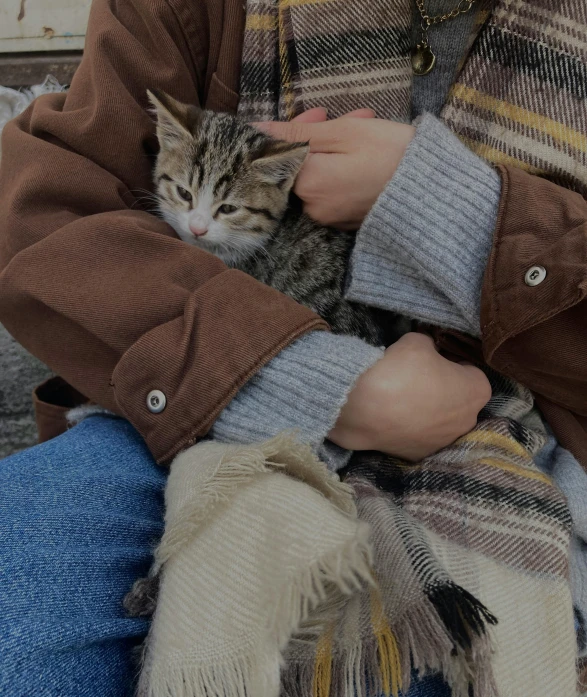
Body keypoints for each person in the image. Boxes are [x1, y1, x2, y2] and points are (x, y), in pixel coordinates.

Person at [0, 0, 586, 694]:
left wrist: (454, 208)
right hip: (198, 391)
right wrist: (306, 380)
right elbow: (51, 205)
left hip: (536, 439)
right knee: (28, 585)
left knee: (416, 655)